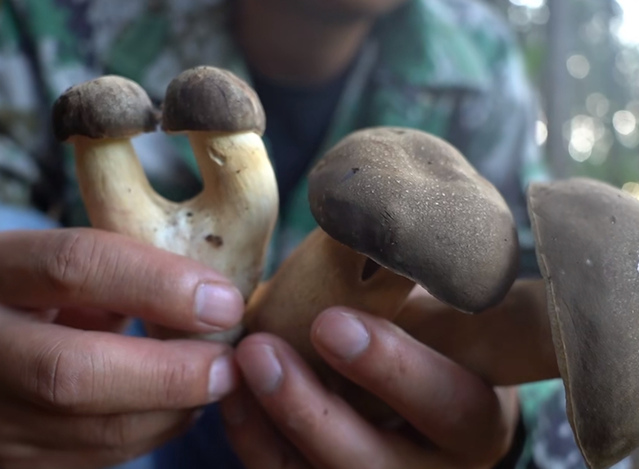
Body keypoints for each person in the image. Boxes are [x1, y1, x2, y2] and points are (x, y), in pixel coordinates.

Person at [0, 0, 575, 468]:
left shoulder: (483, 60)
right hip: (103, 434)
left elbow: (533, 280)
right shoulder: (47, 15)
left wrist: (511, 435)